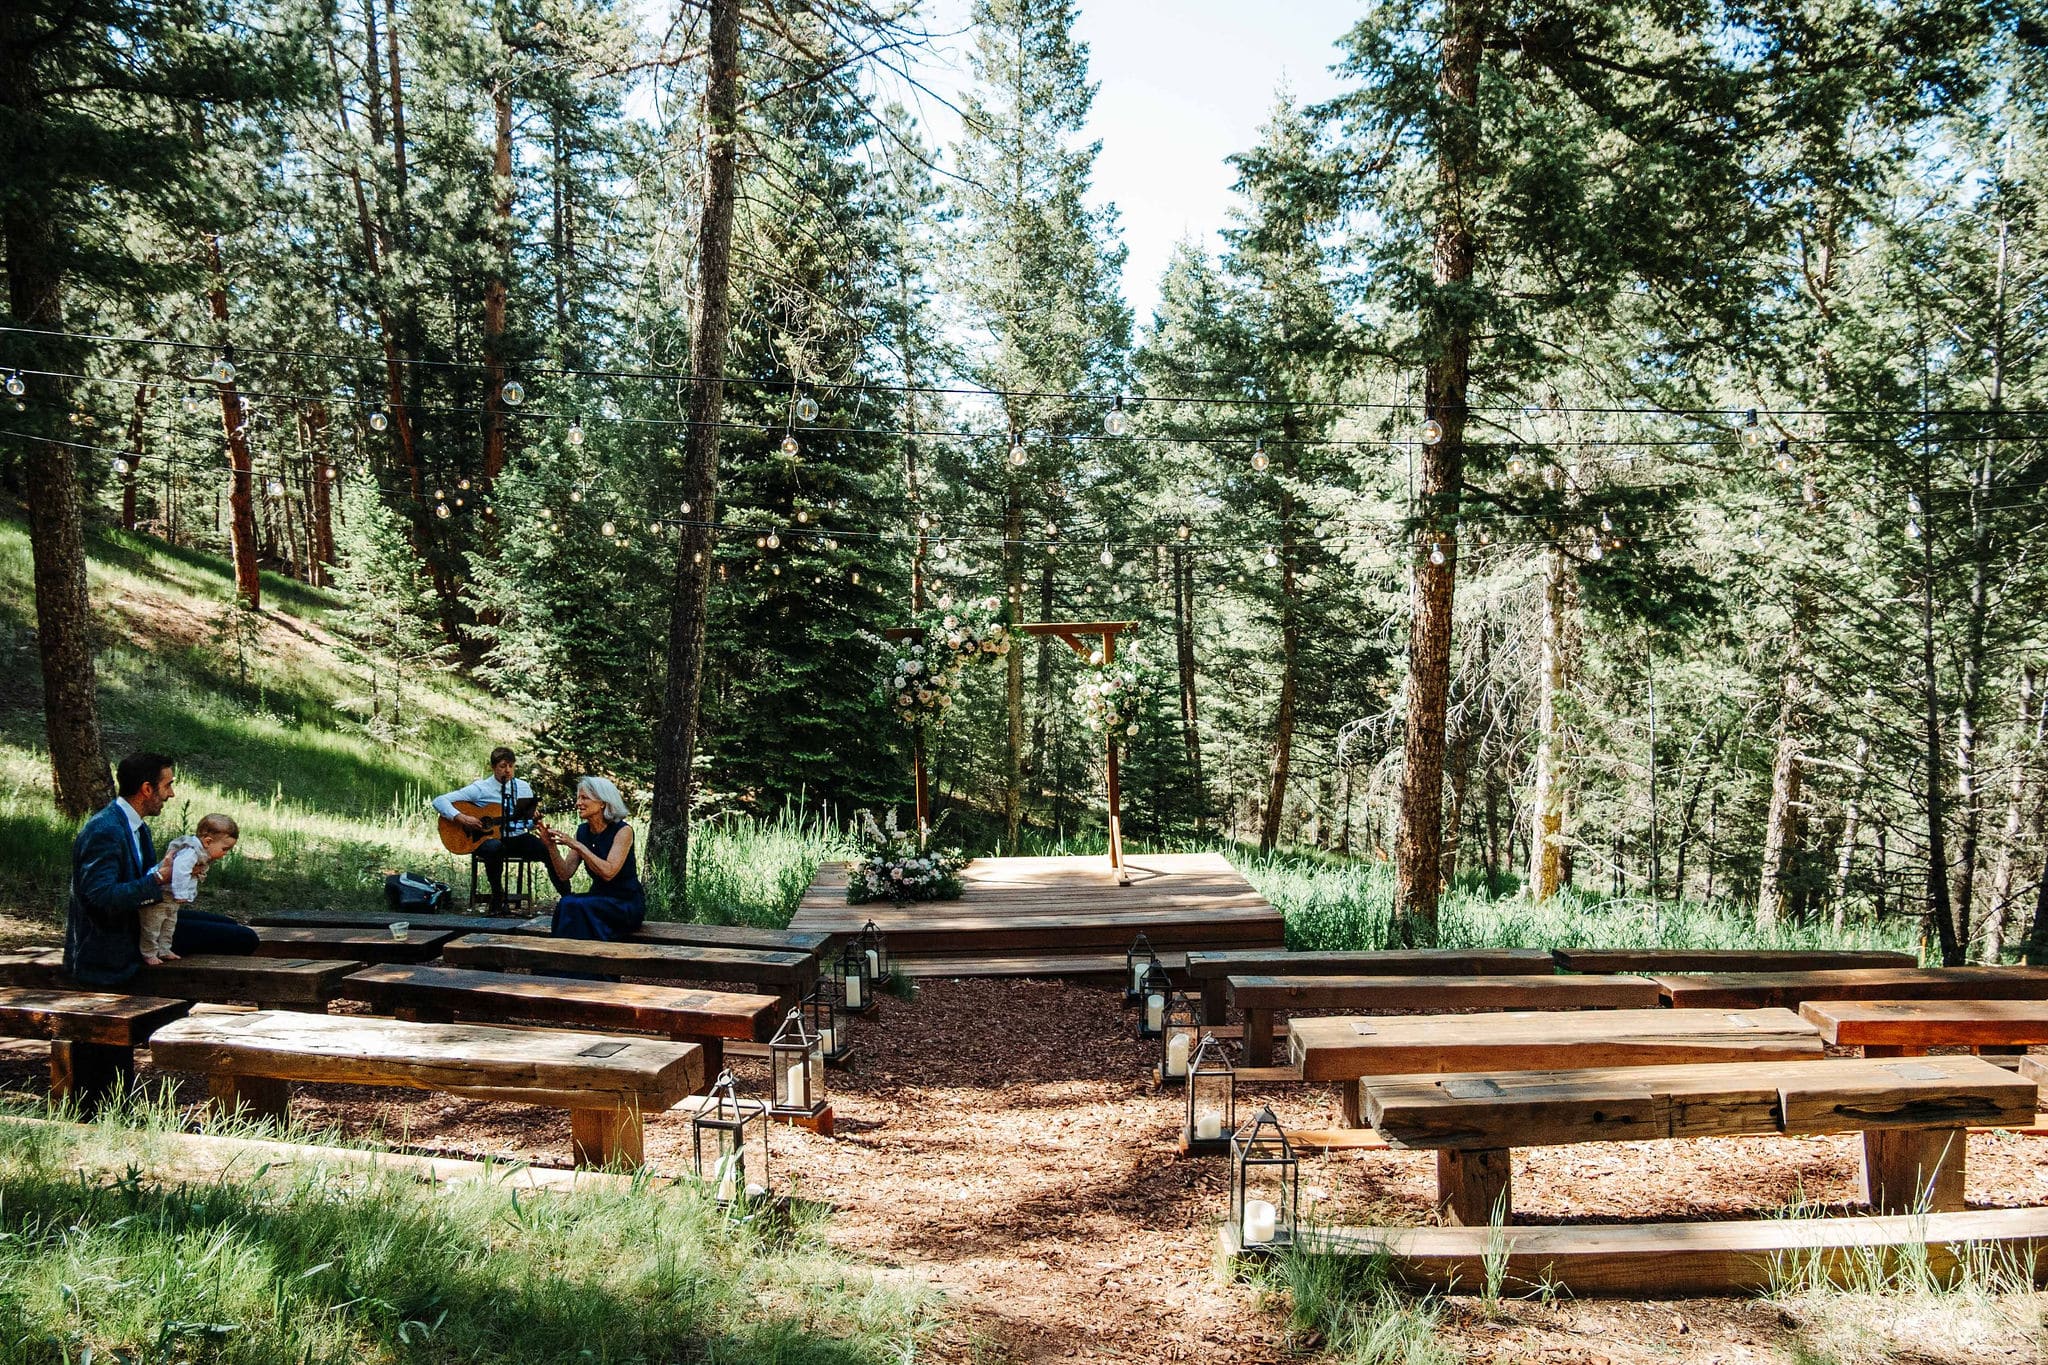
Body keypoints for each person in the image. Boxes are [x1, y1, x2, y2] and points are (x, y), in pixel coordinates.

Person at [66, 753, 258, 987]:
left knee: (226, 923)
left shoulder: (135, 825)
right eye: (167, 785)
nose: (171, 794)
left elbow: (140, 878)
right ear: (147, 789)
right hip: (117, 935)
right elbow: (100, 897)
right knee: (244, 938)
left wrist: (181, 870)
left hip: (142, 915)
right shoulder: (105, 830)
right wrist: (159, 878)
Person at [432, 746, 545, 910]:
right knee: (494, 847)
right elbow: (439, 801)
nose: (507, 771)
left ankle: (567, 898)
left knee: (546, 849)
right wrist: (462, 818)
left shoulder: (523, 787)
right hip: (485, 840)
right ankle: (497, 896)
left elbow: (524, 824)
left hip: (515, 838)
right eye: (502, 766)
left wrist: (533, 821)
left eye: (511, 766)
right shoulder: (481, 788)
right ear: (493, 768)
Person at [536, 776, 645, 941]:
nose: (578, 803)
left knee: (575, 905)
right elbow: (564, 873)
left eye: (584, 798)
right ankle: (563, 958)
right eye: (578, 798)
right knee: (566, 903)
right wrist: (550, 846)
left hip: (624, 903)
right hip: (598, 899)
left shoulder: (623, 831)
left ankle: (580, 958)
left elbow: (609, 872)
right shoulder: (582, 831)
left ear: (602, 802)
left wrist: (577, 846)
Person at [141, 813, 240, 966]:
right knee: (153, 925)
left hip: (170, 898)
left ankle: (164, 949)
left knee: (169, 923)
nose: (225, 853)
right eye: (224, 849)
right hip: (157, 896)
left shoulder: (201, 852)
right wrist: (182, 893)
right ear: (208, 841)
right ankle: (148, 953)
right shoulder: (190, 852)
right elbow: (180, 870)